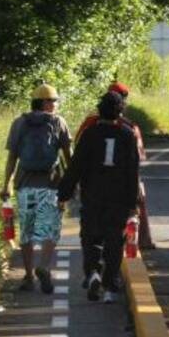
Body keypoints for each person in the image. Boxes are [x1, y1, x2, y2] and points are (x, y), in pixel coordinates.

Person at [58, 91, 140, 303]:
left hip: (93, 195)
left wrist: (64, 194)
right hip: (119, 198)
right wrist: (133, 203)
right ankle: (109, 284)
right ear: (120, 111)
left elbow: (75, 167)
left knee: (90, 237)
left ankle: (92, 272)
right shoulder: (127, 135)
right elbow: (133, 172)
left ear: (99, 110)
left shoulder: (90, 133)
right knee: (114, 241)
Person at [0, 84, 73, 294]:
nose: (56, 104)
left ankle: (29, 276)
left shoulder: (19, 123)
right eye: (55, 100)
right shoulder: (58, 122)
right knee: (50, 227)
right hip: (51, 186)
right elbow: (69, 156)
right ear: (47, 103)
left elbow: (12, 157)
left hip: (25, 186)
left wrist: (7, 184)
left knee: (28, 230)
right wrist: (72, 182)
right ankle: (44, 266)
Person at [75, 82, 154, 251]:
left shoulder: (89, 124)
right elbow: (137, 159)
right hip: (118, 188)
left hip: (92, 186)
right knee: (137, 202)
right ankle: (141, 241)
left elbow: (78, 152)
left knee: (91, 225)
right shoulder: (130, 127)